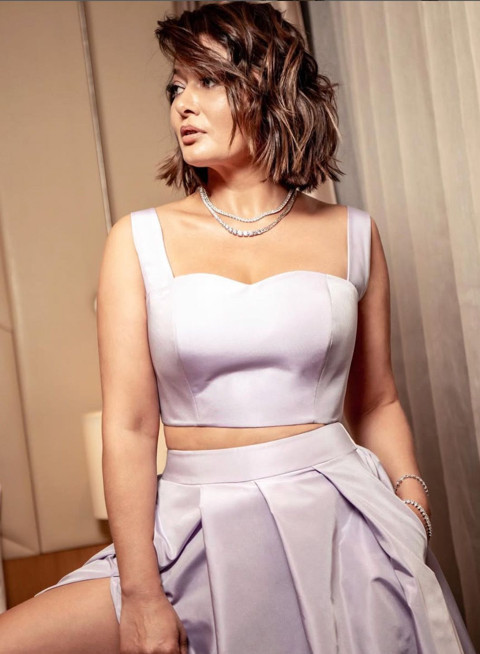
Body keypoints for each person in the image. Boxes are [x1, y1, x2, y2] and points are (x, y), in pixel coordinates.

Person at [0, 2, 476, 653]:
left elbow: (377, 400)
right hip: (192, 525)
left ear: (270, 88)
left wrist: (411, 504)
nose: (182, 105)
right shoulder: (137, 240)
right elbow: (130, 427)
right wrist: (140, 594)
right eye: (175, 86)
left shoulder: (354, 234)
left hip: (343, 520)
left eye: (207, 81)